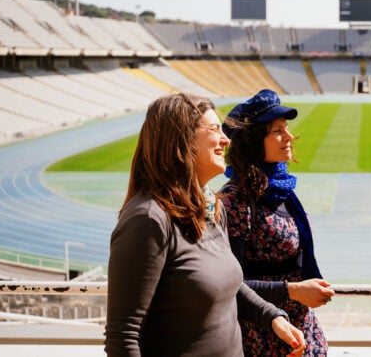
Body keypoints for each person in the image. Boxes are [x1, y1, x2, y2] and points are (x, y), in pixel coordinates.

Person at [104, 93, 306, 357]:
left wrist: (272, 317)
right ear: (181, 140)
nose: (225, 139)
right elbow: (123, 335)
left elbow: (230, 285)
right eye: (214, 129)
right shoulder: (148, 220)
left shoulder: (210, 206)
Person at [219, 89, 333, 356]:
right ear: (253, 141)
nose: (290, 137)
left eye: (287, 128)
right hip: (264, 337)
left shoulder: (280, 189)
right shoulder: (234, 200)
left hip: (299, 327)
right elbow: (227, 285)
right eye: (277, 131)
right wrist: (291, 291)